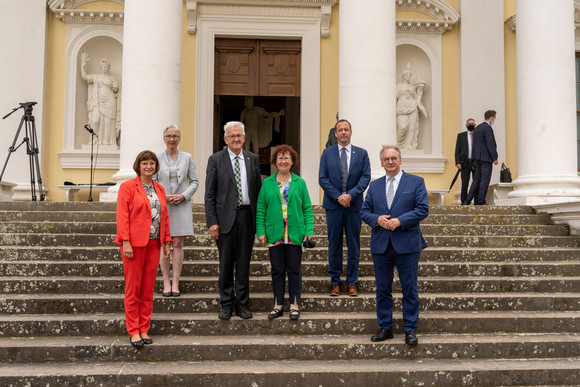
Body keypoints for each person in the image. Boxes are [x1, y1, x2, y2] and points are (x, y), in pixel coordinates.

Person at [360, 145, 429, 346]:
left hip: (407, 244)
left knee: (409, 288)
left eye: (394, 158)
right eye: (386, 159)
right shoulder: (374, 186)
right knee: (382, 288)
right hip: (381, 244)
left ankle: (410, 329)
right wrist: (377, 219)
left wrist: (400, 221)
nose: (390, 162)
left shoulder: (416, 182)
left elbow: (423, 209)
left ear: (400, 160)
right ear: (381, 162)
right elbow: (364, 211)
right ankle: (385, 327)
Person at [205, 121, 262, 320]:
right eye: (232, 136)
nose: (236, 139)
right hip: (225, 219)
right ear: (225, 139)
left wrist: (260, 223)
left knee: (244, 264)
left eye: (239, 135)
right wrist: (212, 222)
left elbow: (258, 192)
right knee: (226, 263)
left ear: (244, 138)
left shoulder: (252, 159)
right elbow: (209, 194)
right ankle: (226, 304)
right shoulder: (215, 160)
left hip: (247, 217)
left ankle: (243, 304)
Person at [114, 150, 172, 347]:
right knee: (133, 289)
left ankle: (144, 328)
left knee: (147, 289)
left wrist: (166, 241)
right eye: (145, 163)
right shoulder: (128, 187)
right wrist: (126, 241)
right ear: (138, 166)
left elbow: (164, 217)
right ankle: (134, 330)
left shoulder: (160, 189)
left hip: (154, 244)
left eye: (152, 163)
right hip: (134, 245)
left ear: (156, 167)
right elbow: (122, 216)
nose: (149, 167)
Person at [256, 144, 313, 320]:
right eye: (280, 158)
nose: (283, 161)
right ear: (275, 161)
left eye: (286, 158)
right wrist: (260, 231)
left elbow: (307, 209)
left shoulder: (300, 182)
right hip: (275, 235)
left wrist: (308, 231)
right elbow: (260, 209)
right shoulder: (267, 183)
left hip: (295, 234)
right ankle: (278, 305)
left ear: (292, 161)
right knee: (277, 271)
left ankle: (294, 305)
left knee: (294, 271)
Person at [318, 119, 371, 297]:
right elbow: (322, 178)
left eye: (346, 130)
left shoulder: (361, 154)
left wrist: (350, 195)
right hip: (333, 206)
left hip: (354, 205)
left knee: (353, 245)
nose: (343, 133)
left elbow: (365, 177)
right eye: (340, 130)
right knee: (334, 245)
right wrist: (339, 197)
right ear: (335, 133)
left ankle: (352, 282)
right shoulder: (327, 153)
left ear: (350, 132)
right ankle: (335, 283)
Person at [155, 124, 199, 297]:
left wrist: (183, 195)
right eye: (168, 136)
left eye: (175, 136)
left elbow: (194, 181)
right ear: (164, 139)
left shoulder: (187, 157)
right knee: (164, 243)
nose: (172, 139)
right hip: (163, 205)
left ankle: (176, 283)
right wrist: (164, 197)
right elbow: (153, 182)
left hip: (181, 205)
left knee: (178, 243)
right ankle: (166, 282)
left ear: (179, 139)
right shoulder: (157, 158)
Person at [80, 53, 121, 147]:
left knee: (108, 122)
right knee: (95, 120)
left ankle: (107, 142)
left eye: (105, 66)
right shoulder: (96, 77)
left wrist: (115, 87)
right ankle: (95, 139)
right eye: (102, 67)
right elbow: (85, 77)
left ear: (108, 67)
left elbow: (115, 90)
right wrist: (83, 66)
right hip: (98, 101)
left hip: (110, 100)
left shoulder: (112, 78)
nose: (104, 68)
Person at [464, 110, 499, 205]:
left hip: (477, 158)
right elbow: (490, 144)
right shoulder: (487, 128)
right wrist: (494, 158)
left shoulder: (477, 128)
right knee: (484, 180)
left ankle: (467, 201)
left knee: (476, 180)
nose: (494, 120)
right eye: (494, 118)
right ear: (491, 118)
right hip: (486, 158)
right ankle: (481, 201)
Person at [396, 63, 428, 150]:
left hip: (412, 107)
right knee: (402, 127)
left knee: (412, 127)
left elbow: (416, 97)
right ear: (403, 76)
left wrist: (420, 90)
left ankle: (409, 145)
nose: (408, 77)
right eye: (407, 75)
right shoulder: (399, 86)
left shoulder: (411, 86)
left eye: (409, 75)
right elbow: (395, 98)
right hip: (401, 108)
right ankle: (400, 146)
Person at [454, 118, 478, 204]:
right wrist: (457, 162)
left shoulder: (478, 136)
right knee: (465, 183)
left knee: (476, 182)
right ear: (466, 125)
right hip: (465, 163)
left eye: (472, 123)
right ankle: (463, 201)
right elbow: (457, 150)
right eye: (469, 123)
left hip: (476, 162)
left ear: (475, 125)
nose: (471, 125)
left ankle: (477, 201)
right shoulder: (461, 136)